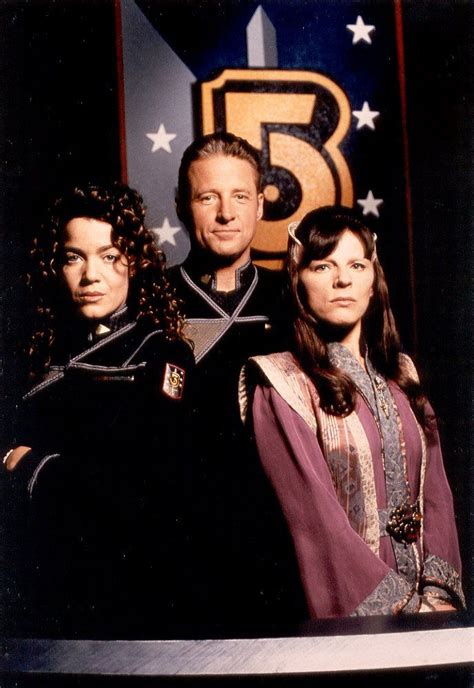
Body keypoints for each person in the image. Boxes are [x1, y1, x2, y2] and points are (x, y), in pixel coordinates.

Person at [240, 205, 465, 618]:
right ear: (298, 280)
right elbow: (314, 523)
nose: (343, 280)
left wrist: (438, 595)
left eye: (356, 264)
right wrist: (405, 607)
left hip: (430, 609)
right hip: (353, 617)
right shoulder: (281, 383)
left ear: (373, 280)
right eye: (323, 266)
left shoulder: (401, 372)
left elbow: (437, 496)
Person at [2, 182, 194, 638]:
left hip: (129, 600)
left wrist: (31, 465)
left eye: (109, 256)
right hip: (39, 600)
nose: (91, 275)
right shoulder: (32, 355)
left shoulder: (161, 354)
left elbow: (143, 489)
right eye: (74, 257)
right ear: (56, 265)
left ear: (135, 262)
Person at [168, 132, 307, 622]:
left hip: (283, 541)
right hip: (174, 547)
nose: (226, 213)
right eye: (208, 197)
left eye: (240, 197)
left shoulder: (296, 299)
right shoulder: (148, 301)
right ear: (183, 206)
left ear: (261, 206)